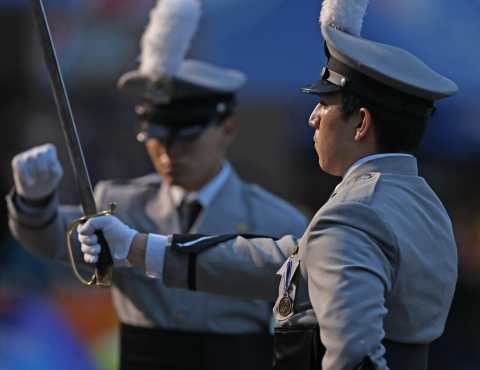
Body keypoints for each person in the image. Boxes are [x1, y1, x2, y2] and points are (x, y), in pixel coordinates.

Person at [77, 0, 459, 369]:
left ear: (360, 123)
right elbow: (280, 261)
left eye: (324, 104)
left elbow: (354, 354)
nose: (313, 119)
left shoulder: (354, 216)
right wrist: (136, 246)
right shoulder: (422, 205)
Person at [6, 0, 307, 369]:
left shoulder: (275, 222)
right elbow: (53, 239)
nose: (168, 153)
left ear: (227, 130)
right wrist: (35, 202)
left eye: (186, 139)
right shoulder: (120, 205)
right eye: (157, 138)